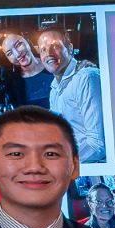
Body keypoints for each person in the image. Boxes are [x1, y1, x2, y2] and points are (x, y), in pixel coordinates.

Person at [36, 29, 106, 161]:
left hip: (93, 168)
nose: (49, 54)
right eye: (43, 50)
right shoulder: (54, 90)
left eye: (55, 46)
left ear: (69, 48)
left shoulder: (86, 77)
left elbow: (97, 144)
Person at [0, 33, 51, 112]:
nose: (17, 54)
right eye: (10, 53)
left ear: (27, 42)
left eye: (18, 45)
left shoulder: (52, 65)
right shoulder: (12, 85)